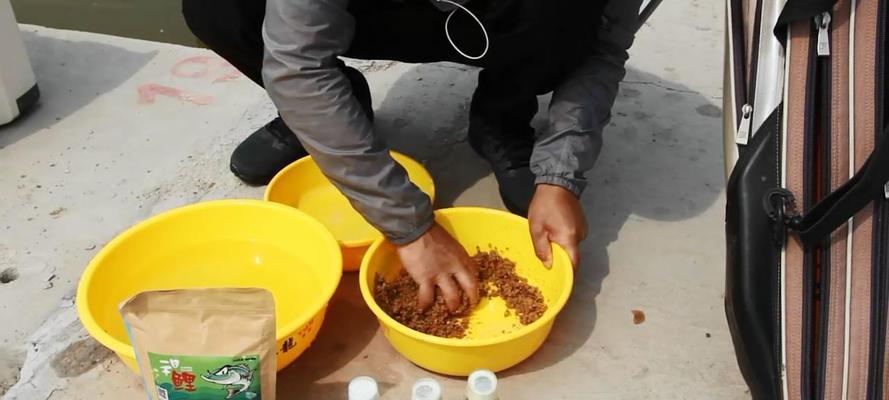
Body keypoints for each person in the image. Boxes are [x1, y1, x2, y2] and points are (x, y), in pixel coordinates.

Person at [182, 0, 641, 312]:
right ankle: (329, 112)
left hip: (499, 18)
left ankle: (501, 116)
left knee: (568, 15)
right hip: (385, 11)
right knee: (218, 7)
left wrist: (561, 172)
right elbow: (297, 62)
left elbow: (602, 47)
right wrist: (410, 227)